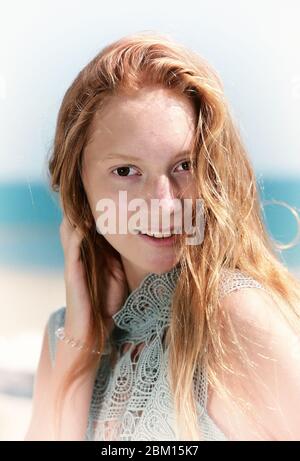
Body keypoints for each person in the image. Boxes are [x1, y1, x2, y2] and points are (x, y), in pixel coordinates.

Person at [24, 31, 300, 441]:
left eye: (184, 165)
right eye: (125, 171)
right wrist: (82, 343)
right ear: (78, 183)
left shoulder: (232, 315)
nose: (164, 203)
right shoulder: (61, 336)